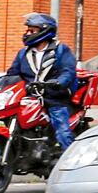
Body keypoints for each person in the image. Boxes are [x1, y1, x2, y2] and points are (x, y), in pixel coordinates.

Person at [7, 12, 80, 151]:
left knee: (62, 132)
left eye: (32, 30)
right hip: (29, 97)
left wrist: (59, 82)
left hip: (54, 97)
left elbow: (68, 71)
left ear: (45, 30)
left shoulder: (60, 50)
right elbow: (13, 73)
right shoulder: (23, 53)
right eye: (27, 30)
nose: (28, 33)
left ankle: (70, 162)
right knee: (13, 124)